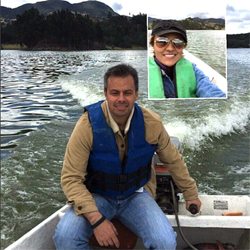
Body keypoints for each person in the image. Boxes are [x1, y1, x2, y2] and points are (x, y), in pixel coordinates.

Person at [53, 64, 202, 250]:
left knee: (164, 243)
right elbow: (71, 178)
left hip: (136, 195)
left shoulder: (152, 123)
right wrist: (97, 221)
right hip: (97, 195)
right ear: (105, 93)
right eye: (115, 93)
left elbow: (174, 161)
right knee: (66, 238)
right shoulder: (87, 126)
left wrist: (191, 194)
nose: (121, 99)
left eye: (127, 92)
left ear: (136, 94)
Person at [148, 19, 226, 98]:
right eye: (162, 41)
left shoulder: (194, 71)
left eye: (178, 42)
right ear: (152, 44)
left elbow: (210, 91)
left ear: (184, 46)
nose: (170, 48)